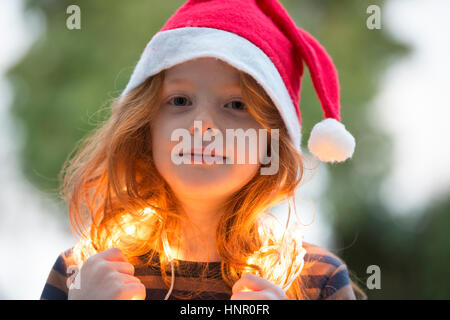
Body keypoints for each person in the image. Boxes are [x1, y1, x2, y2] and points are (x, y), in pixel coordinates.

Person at [40, 0, 365, 300]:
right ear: (145, 125)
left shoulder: (316, 279)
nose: (202, 125)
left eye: (236, 105)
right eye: (179, 100)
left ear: (272, 140)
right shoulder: (82, 274)